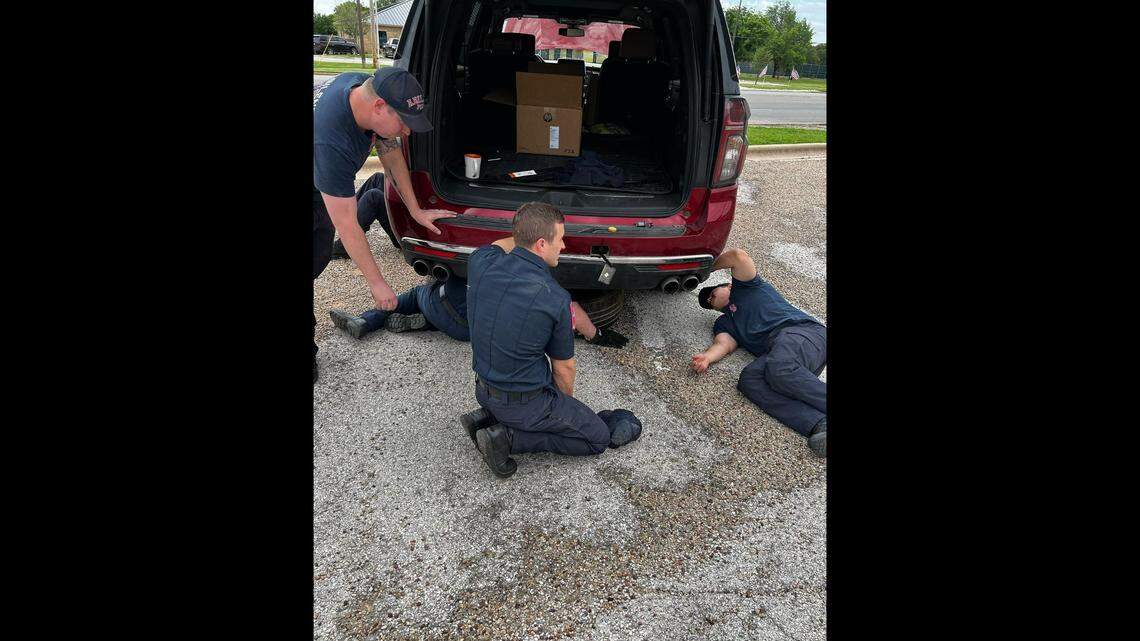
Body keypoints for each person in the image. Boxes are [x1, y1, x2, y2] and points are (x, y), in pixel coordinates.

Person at [460, 203, 643, 478]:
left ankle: (485, 417)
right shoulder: (554, 299)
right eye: (560, 239)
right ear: (542, 244)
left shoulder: (481, 260)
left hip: (483, 389)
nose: (564, 245)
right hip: (523, 405)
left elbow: (500, 244)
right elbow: (564, 369)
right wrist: (565, 414)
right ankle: (506, 438)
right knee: (597, 438)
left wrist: (524, 233)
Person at [313, 66, 456, 384]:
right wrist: (377, 284)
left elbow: (390, 154)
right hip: (319, 177)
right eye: (404, 122)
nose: (407, 131)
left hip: (321, 180)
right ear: (379, 107)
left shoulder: (363, 86)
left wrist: (416, 210)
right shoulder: (331, 142)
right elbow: (348, 225)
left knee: (320, 256)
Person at [691, 248, 827, 457]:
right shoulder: (725, 322)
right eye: (709, 303)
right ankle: (818, 423)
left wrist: (705, 270)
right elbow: (724, 344)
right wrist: (707, 357)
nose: (710, 300)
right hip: (782, 356)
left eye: (712, 293)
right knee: (750, 379)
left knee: (780, 369)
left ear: (728, 285)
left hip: (802, 334)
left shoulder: (748, 287)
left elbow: (738, 256)